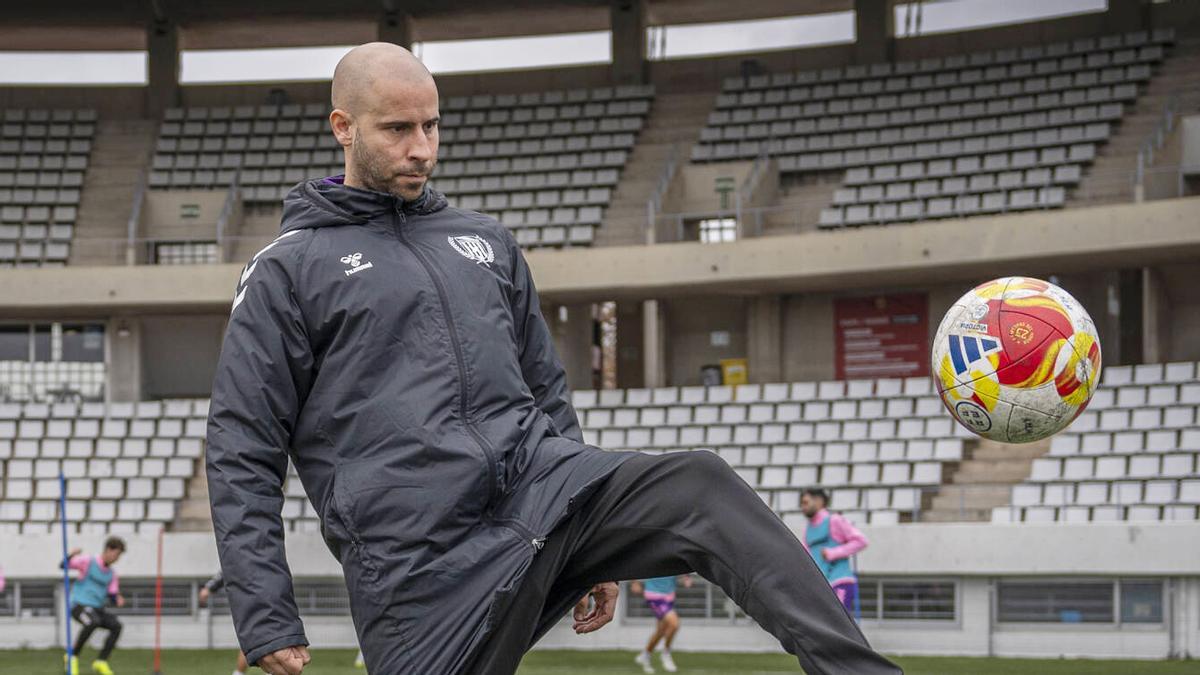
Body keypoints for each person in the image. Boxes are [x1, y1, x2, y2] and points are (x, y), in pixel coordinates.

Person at [206, 41, 901, 675]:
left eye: (432, 125)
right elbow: (243, 443)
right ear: (343, 128)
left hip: (544, 492)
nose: (422, 147)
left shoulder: (483, 241)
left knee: (700, 485)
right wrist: (265, 609)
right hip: (419, 566)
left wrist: (589, 532)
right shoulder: (288, 270)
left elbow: (543, 385)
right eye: (398, 129)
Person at [62, 537, 126, 675]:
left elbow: (112, 594)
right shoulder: (88, 561)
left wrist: (117, 598)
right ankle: (72, 657)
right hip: (78, 605)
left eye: (119, 556)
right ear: (108, 550)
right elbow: (63, 565)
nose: (116, 559)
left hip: (97, 608)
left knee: (117, 625)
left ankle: (101, 662)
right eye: (116, 554)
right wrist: (71, 554)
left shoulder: (112, 574)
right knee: (92, 622)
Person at [800, 488, 869, 617]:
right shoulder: (807, 529)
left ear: (819, 501)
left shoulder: (835, 520)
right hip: (821, 586)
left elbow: (861, 541)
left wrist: (834, 553)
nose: (802, 507)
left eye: (805, 502)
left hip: (840, 581)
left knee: (837, 623)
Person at [630, 575, 693, 673]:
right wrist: (634, 582)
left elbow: (680, 566)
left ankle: (645, 655)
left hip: (669, 596)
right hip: (654, 595)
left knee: (661, 631)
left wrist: (686, 577)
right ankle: (666, 654)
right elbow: (637, 562)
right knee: (674, 623)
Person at [199, 570, 251, 675]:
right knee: (251, 641)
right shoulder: (241, 558)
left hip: (266, 601)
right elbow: (228, 569)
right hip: (251, 603)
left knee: (256, 641)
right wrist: (209, 587)